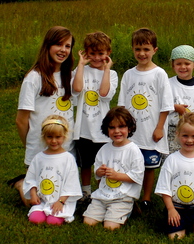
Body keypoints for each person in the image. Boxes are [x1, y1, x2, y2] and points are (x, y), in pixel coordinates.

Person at [10, 26, 76, 206]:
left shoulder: (70, 76)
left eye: (67, 46)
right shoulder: (34, 78)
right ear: (47, 46)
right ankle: (21, 183)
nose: (63, 50)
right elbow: (21, 120)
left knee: (63, 197)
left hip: (65, 146)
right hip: (40, 147)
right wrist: (30, 145)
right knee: (37, 203)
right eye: (58, 44)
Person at [117, 28, 173, 210]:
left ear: (155, 50)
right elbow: (122, 105)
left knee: (149, 165)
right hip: (132, 132)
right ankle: (128, 195)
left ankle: (146, 197)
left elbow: (166, 105)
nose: (142, 53)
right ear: (132, 49)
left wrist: (159, 128)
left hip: (151, 130)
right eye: (138, 49)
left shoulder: (159, 74)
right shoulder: (128, 74)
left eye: (146, 49)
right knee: (131, 162)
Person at [155, 112, 194, 239]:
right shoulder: (171, 160)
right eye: (185, 136)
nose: (189, 140)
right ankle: (179, 224)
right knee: (175, 237)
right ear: (177, 135)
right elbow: (164, 189)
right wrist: (171, 210)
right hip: (176, 209)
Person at [72, 31, 118, 202]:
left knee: (102, 163)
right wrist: (81, 66)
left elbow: (104, 93)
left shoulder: (111, 74)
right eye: (92, 54)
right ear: (85, 53)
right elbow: (76, 89)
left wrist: (106, 70)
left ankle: (101, 192)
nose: (97, 58)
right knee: (85, 163)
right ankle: (86, 192)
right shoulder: (80, 70)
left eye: (101, 53)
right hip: (83, 128)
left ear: (108, 53)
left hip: (102, 129)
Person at [83, 107, 145, 230]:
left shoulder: (133, 150)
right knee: (88, 222)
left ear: (129, 128)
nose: (117, 131)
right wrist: (99, 172)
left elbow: (137, 176)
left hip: (123, 197)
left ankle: (129, 209)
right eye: (112, 127)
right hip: (103, 195)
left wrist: (117, 176)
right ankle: (105, 210)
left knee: (110, 226)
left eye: (121, 127)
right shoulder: (104, 149)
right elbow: (97, 173)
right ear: (107, 129)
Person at [22, 115, 82, 225]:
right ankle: (41, 210)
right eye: (49, 137)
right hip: (42, 200)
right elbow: (31, 178)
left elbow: (71, 183)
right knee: (35, 219)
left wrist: (61, 201)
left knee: (53, 221)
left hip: (61, 201)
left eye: (58, 137)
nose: (54, 141)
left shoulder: (68, 158)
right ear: (44, 137)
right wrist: (33, 194)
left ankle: (58, 211)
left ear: (64, 137)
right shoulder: (39, 158)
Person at [165, 45, 194, 159]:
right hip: (173, 132)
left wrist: (190, 120)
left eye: (187, 63)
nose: (183, 67)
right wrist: (174, 107)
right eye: (178, 64)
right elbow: (162, 105)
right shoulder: (168, 84)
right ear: (173, 65)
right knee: (173, 160)